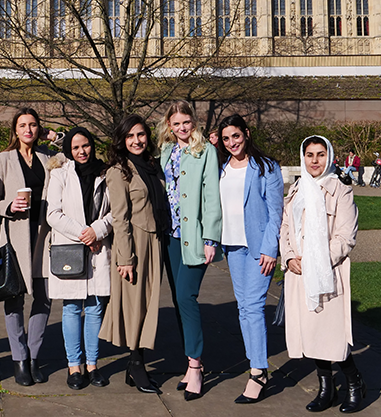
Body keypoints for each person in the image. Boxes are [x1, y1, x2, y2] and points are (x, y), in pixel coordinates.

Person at [280, 135, 364, 413]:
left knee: (332, 336)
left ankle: (353, 382)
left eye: (320, 154)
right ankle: (326, 388)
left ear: (328, 157)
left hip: (327, 273)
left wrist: (318, 261)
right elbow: (285, 229)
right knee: (312, 335)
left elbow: (345, 236)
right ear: (302, 158)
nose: (315, 161)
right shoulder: (295, 190)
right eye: (309, 155)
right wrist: (290, 257)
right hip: (300, 272)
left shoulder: (340, 190)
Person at [215, 115, 284, 404]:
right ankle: (255, 363)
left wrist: (271, 248)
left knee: (254, 307)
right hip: (233, 247)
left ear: (247, 133)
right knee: (244, 308)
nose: (232, 143)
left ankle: (258, 372)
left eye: (236, 136)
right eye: (226, 138)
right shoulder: (221, 168)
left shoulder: (266, 168)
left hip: (258, 248)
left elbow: (276, 212)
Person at [100, 114, 169, 394]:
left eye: (140, 135)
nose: (137, 141)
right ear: (122, 140)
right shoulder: (118, 171)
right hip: (135, 244)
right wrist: (125, 258)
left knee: (149, 303)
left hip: (157, 240)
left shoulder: (153, 166)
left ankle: (135, 365)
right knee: (135, 306)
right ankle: (136, 363)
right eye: (130, 136)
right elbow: (120, 218)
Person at [156, 101, 221, 401]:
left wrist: (211, 237)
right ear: (169, 125)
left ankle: (196, 366)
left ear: (194, 123)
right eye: (176, 123)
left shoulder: (205, 151)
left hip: (193, 236)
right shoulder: (166, 152)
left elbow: (211, 196)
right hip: (170, 238)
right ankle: (190, 362)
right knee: (179, 300)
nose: (182, 128)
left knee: (186, 296)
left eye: (187, 122)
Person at [0, 107, 61, 386]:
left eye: (33, 125)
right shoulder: (3, 159)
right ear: (15, 129)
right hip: (15, 237)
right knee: (15, 299)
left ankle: (33, 356)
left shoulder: (49, 158)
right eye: (23, 125)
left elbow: (74, 148)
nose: (28, 130)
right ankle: (19, 359)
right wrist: (9, 206)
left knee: (44, 298)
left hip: (44, 236)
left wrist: (53, 137)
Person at [46, 126, 112, 390]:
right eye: (75, 147)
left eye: (85, 145)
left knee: (95, 308)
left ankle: (92, 364)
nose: (82, 151)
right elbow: (53, 214)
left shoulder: (106, 173)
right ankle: (74, 366)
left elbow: (116, 211)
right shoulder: (60, 174)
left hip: (98, 247)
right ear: (68, 151)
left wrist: (98, 231)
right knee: (72, 308)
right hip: (72, 249)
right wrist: (84, 234)